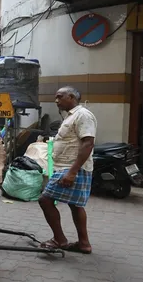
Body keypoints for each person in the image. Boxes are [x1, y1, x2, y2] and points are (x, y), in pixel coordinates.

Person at [38, 86, 97, 255]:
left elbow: (88, 143)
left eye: (59, 97)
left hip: (72, 168)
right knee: (75, 204)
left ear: (71, 97)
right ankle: (84, 244)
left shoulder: (82, 115)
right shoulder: (71, 116)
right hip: (69, 167)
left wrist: (72, 172)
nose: (56, 100)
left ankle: (59, 239)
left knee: (45, 200)